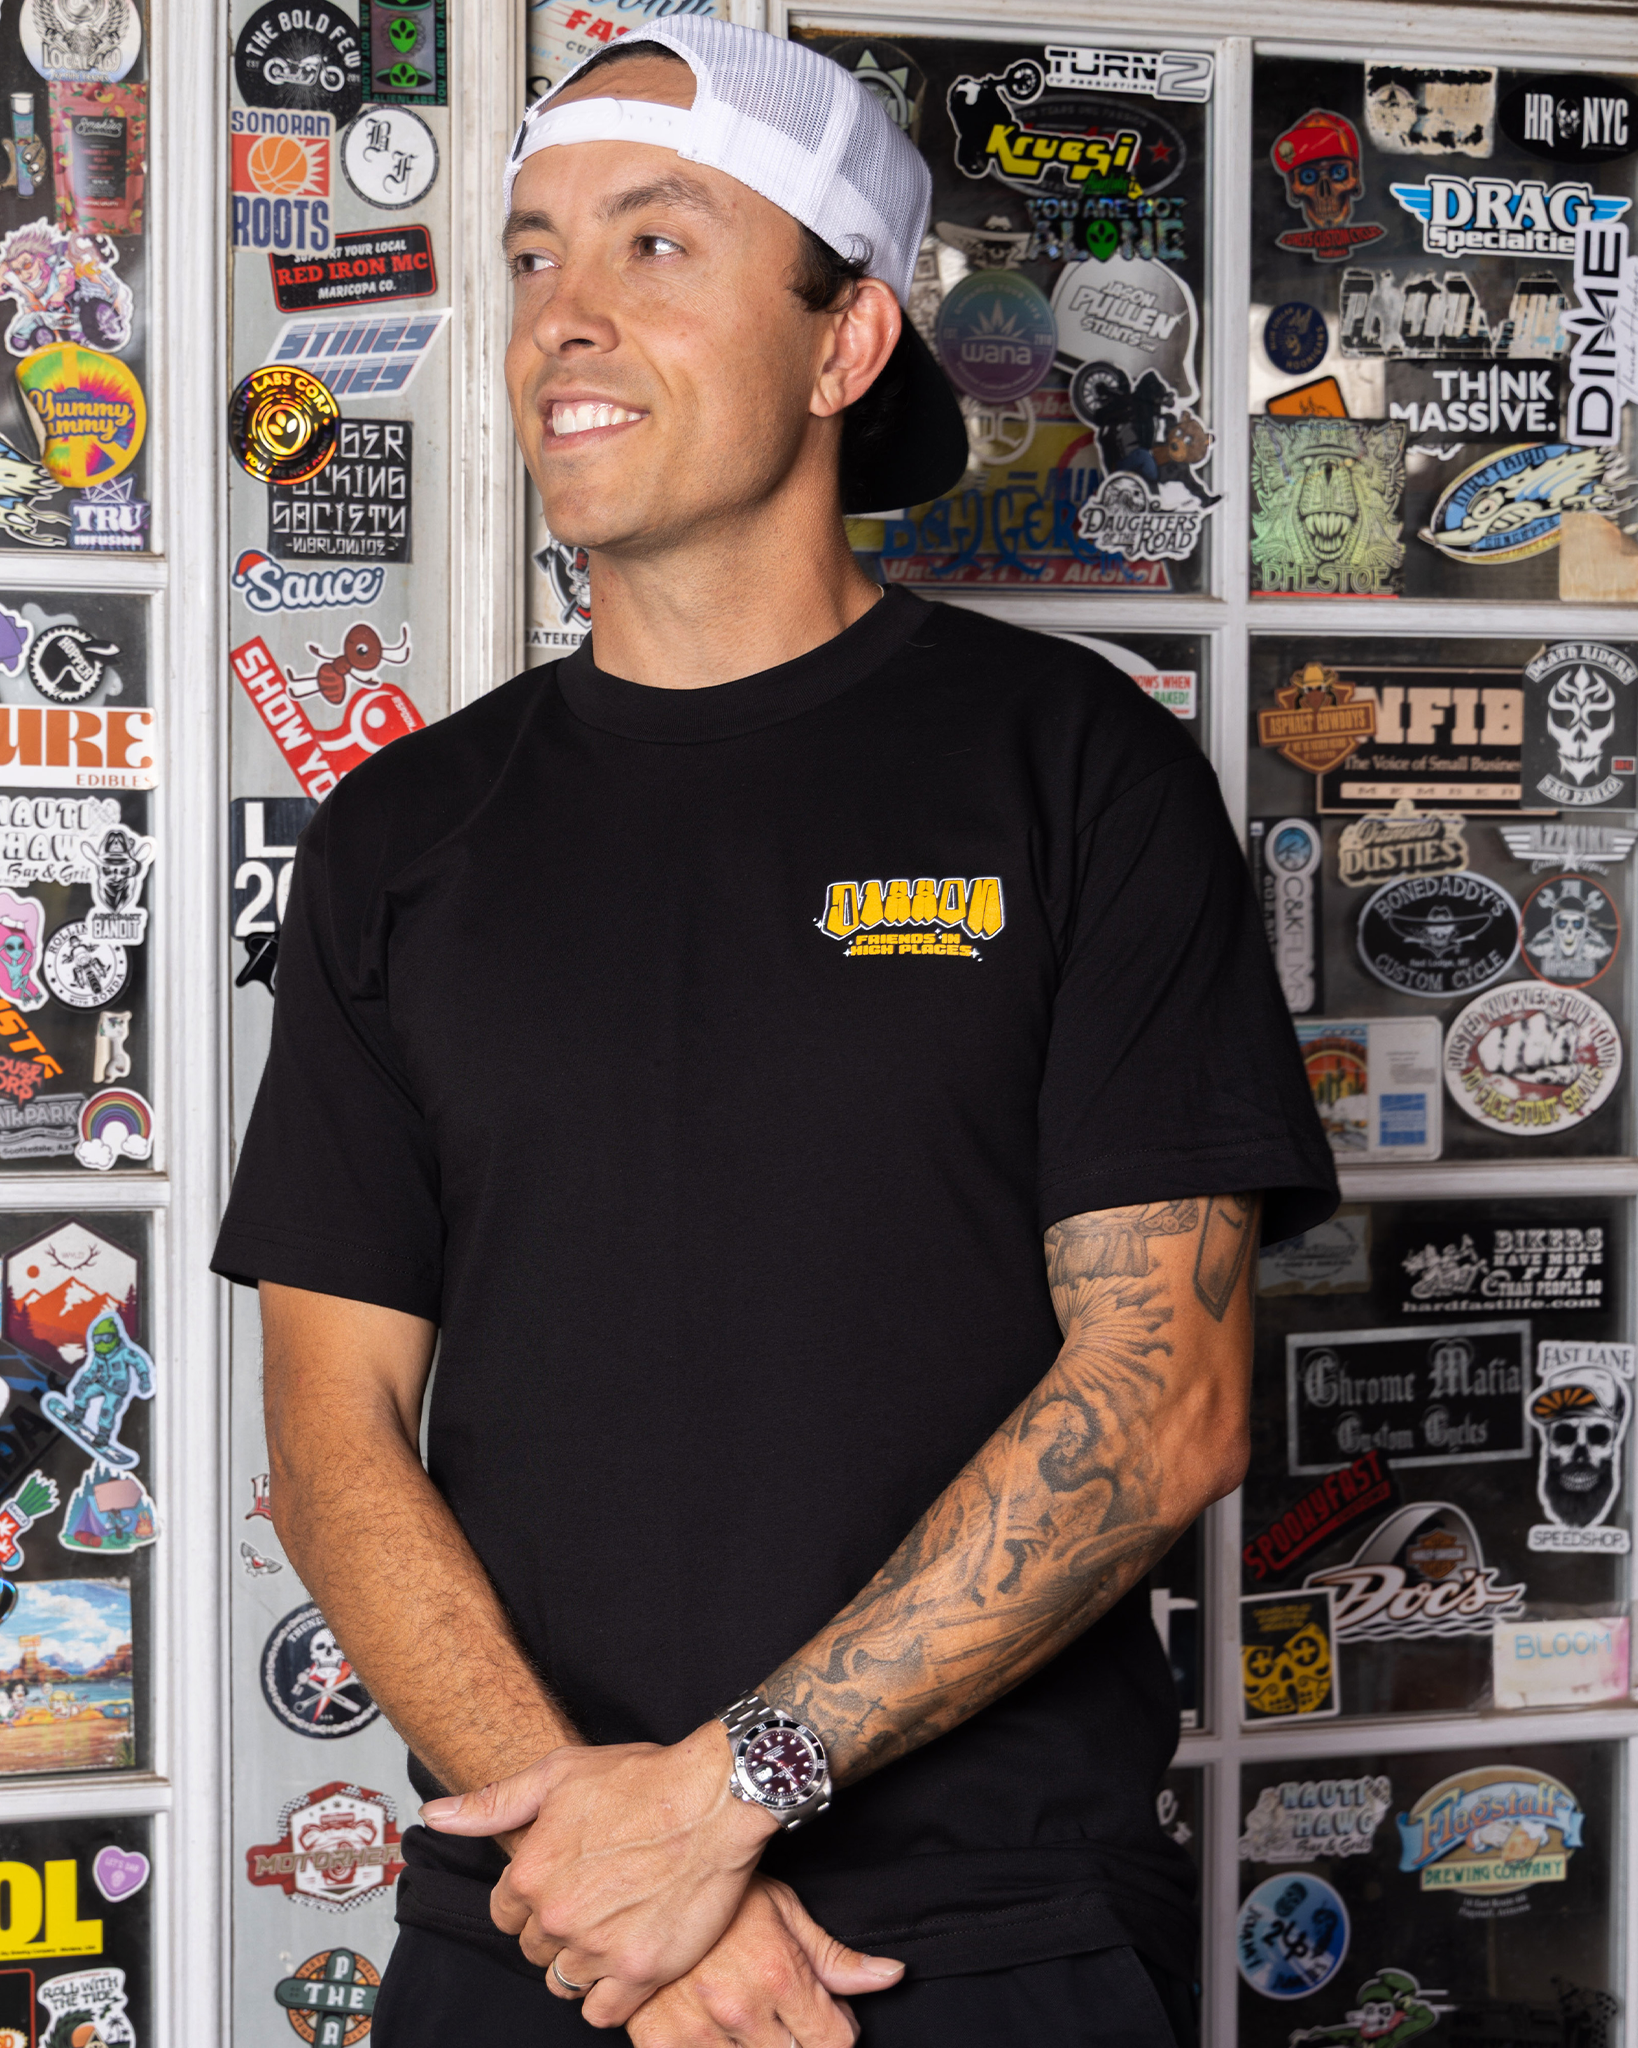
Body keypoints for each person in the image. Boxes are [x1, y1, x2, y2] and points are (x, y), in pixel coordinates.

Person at [212, 19, 1336, 2046]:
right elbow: (330, 1427)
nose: (563, 316)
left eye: (655, 245)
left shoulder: (1076, 772)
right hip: (536, 1937)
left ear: (846, 340)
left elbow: (1160, 1394)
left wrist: (728, 1796)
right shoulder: (402, 834)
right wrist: (610, 1866)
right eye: (535, 254)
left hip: (977, 1945)